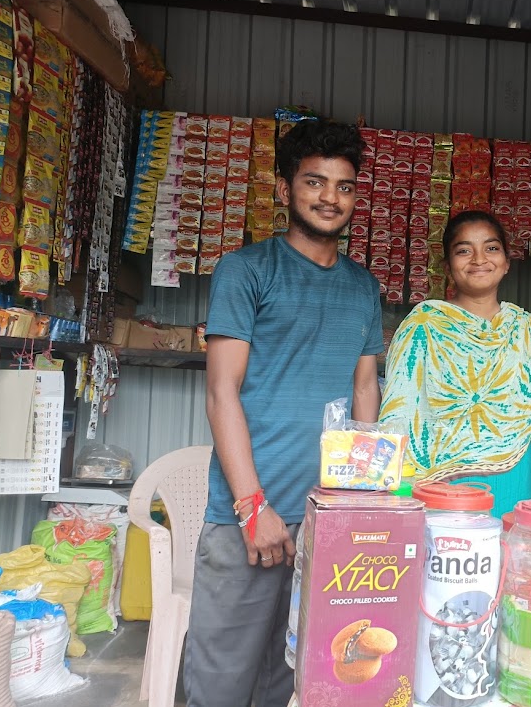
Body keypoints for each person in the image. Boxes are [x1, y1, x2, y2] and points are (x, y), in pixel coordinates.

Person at [184, 120, 383, 707]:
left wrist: (360, 500)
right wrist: (252, 506)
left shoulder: (363, 287)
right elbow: (222, 392)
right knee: (221, 681)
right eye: (315, 181)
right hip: (248, 514)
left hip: (327, 514)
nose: (330, 197)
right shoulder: (245, 271)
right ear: (283, 189)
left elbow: (365, 388)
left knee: (291, 678)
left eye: (344, 186)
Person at [379, 210, 531, 517]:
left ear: (507, 262)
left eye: (491, 248)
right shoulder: (423, 326)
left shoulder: (526, 330)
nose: (479, 259)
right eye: (463, 250)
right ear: (447, 267)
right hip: (439, 489)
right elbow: (398, 416)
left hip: (516, 484)